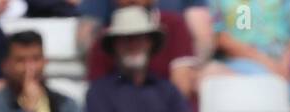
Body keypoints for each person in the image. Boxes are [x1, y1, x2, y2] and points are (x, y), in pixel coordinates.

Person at [85, 5, 202, 112]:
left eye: (140, 38)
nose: (133, 45)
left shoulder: (168, 91)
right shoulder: (99, 92)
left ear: (150, 42)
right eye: (126, 39)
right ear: (115, 45)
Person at [86, 0, 200, 102]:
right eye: (126, 39)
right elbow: (97, 95)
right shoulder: (104, 39)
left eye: (141, 38)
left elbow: (181, 88)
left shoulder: (174, 25)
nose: (132, 1)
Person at [80, 0, 213, 66]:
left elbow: (203, 39)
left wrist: (191, 71)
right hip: (117, 75)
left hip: (172, 74)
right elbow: (86, 36)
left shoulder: (174, 23)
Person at [204, 0, 290, 78]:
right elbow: (219, 37)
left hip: (285, 61)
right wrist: (267, 63)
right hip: (240, 59)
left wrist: (285, 66)